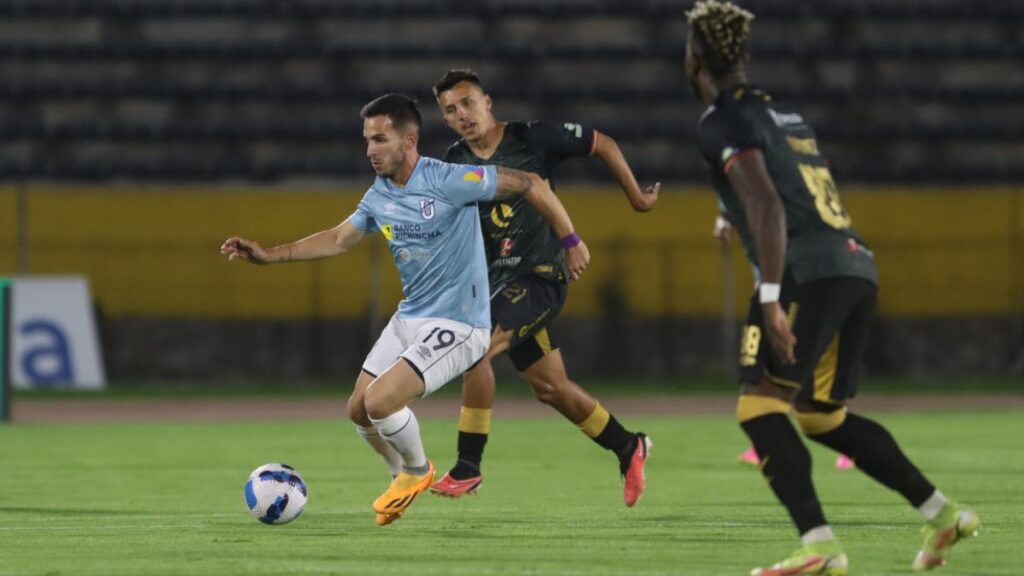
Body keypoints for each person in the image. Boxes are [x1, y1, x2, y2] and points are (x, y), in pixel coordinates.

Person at [684, 2, 979, 574]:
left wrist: (770, 297)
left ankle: (820, 546)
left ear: (694, 59)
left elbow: (767, 202)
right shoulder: (784, 115)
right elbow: (774, 186)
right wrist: (729, 213)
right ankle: (944, 516)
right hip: (853, 263)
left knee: (759, 406)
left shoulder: (720, 120)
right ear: (742, 56)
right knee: (820, 414)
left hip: (803, 271)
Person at [220, 93, 590, 526]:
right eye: (366, 141)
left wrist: (570, 240)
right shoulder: (379, 195)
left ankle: (417, 471)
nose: (370, 150)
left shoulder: (450, 179)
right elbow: (339, 239)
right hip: (411, 317)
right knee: (357, 409)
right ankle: (400, 473)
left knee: (380, 402)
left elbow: (530, 182)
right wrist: (270, 254)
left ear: (409, 140)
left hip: (460, 322)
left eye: (380, 139)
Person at [427, 69, 659, 506]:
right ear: (445, 119)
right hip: (499, 287)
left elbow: (602, 143)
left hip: (541, 277)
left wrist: (636, 198)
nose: (462, 114)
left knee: (474, 347)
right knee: (550, 388)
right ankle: (629, 446)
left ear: (487, 102)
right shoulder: (453, 163)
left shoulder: (532, 138)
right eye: (451, 110)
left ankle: (467, 467)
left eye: (468, 103)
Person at [717, 210, 854, 472]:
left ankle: (847, 441)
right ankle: (768, 442)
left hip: (793, 292)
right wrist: (724, 217)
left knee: (807, 368)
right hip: (776, 297)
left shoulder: (774, 201)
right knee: (777, 372)